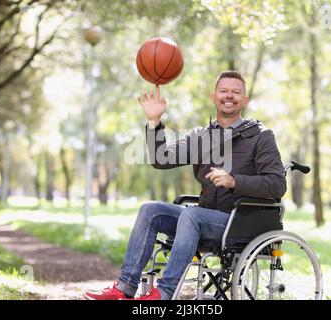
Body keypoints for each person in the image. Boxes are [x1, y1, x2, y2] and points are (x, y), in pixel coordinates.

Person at [84, 70, 286, 300]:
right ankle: (124, 287)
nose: (229, 96)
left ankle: (164, 293)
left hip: (240, 222)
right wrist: (154, 122)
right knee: (150, 210)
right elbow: (161, 159)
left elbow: (277, 184)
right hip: (204, 219)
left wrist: (234, 181)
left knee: (192, 215)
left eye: (236, 92)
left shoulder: (261, 136)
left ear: (245, 100)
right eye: (224, 91)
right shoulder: (201, 136)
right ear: (213, 97)